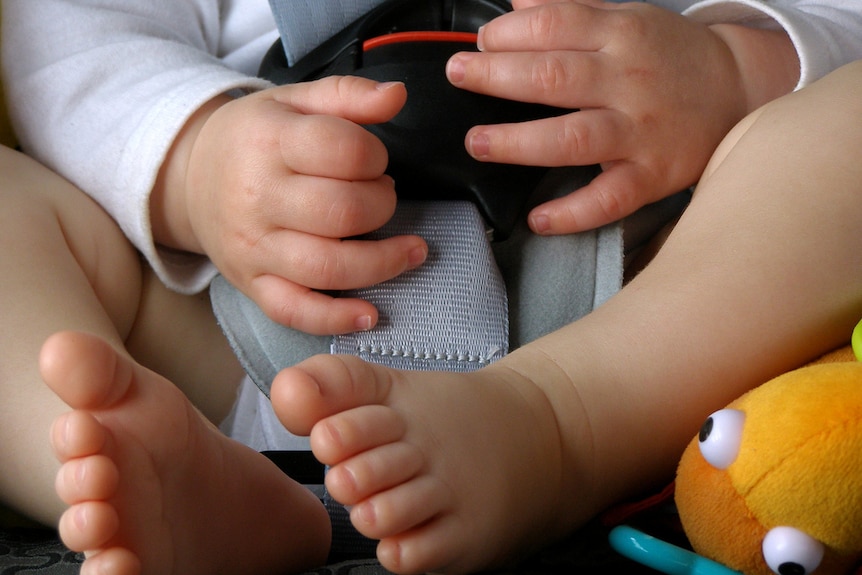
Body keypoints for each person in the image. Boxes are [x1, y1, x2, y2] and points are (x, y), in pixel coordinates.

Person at [2, 1, 862, 575]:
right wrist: (191, 156)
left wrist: (738, 61)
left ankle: (556, 425)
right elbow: (56, 38)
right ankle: (126, 457)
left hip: (649, 291)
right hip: (227, 319)